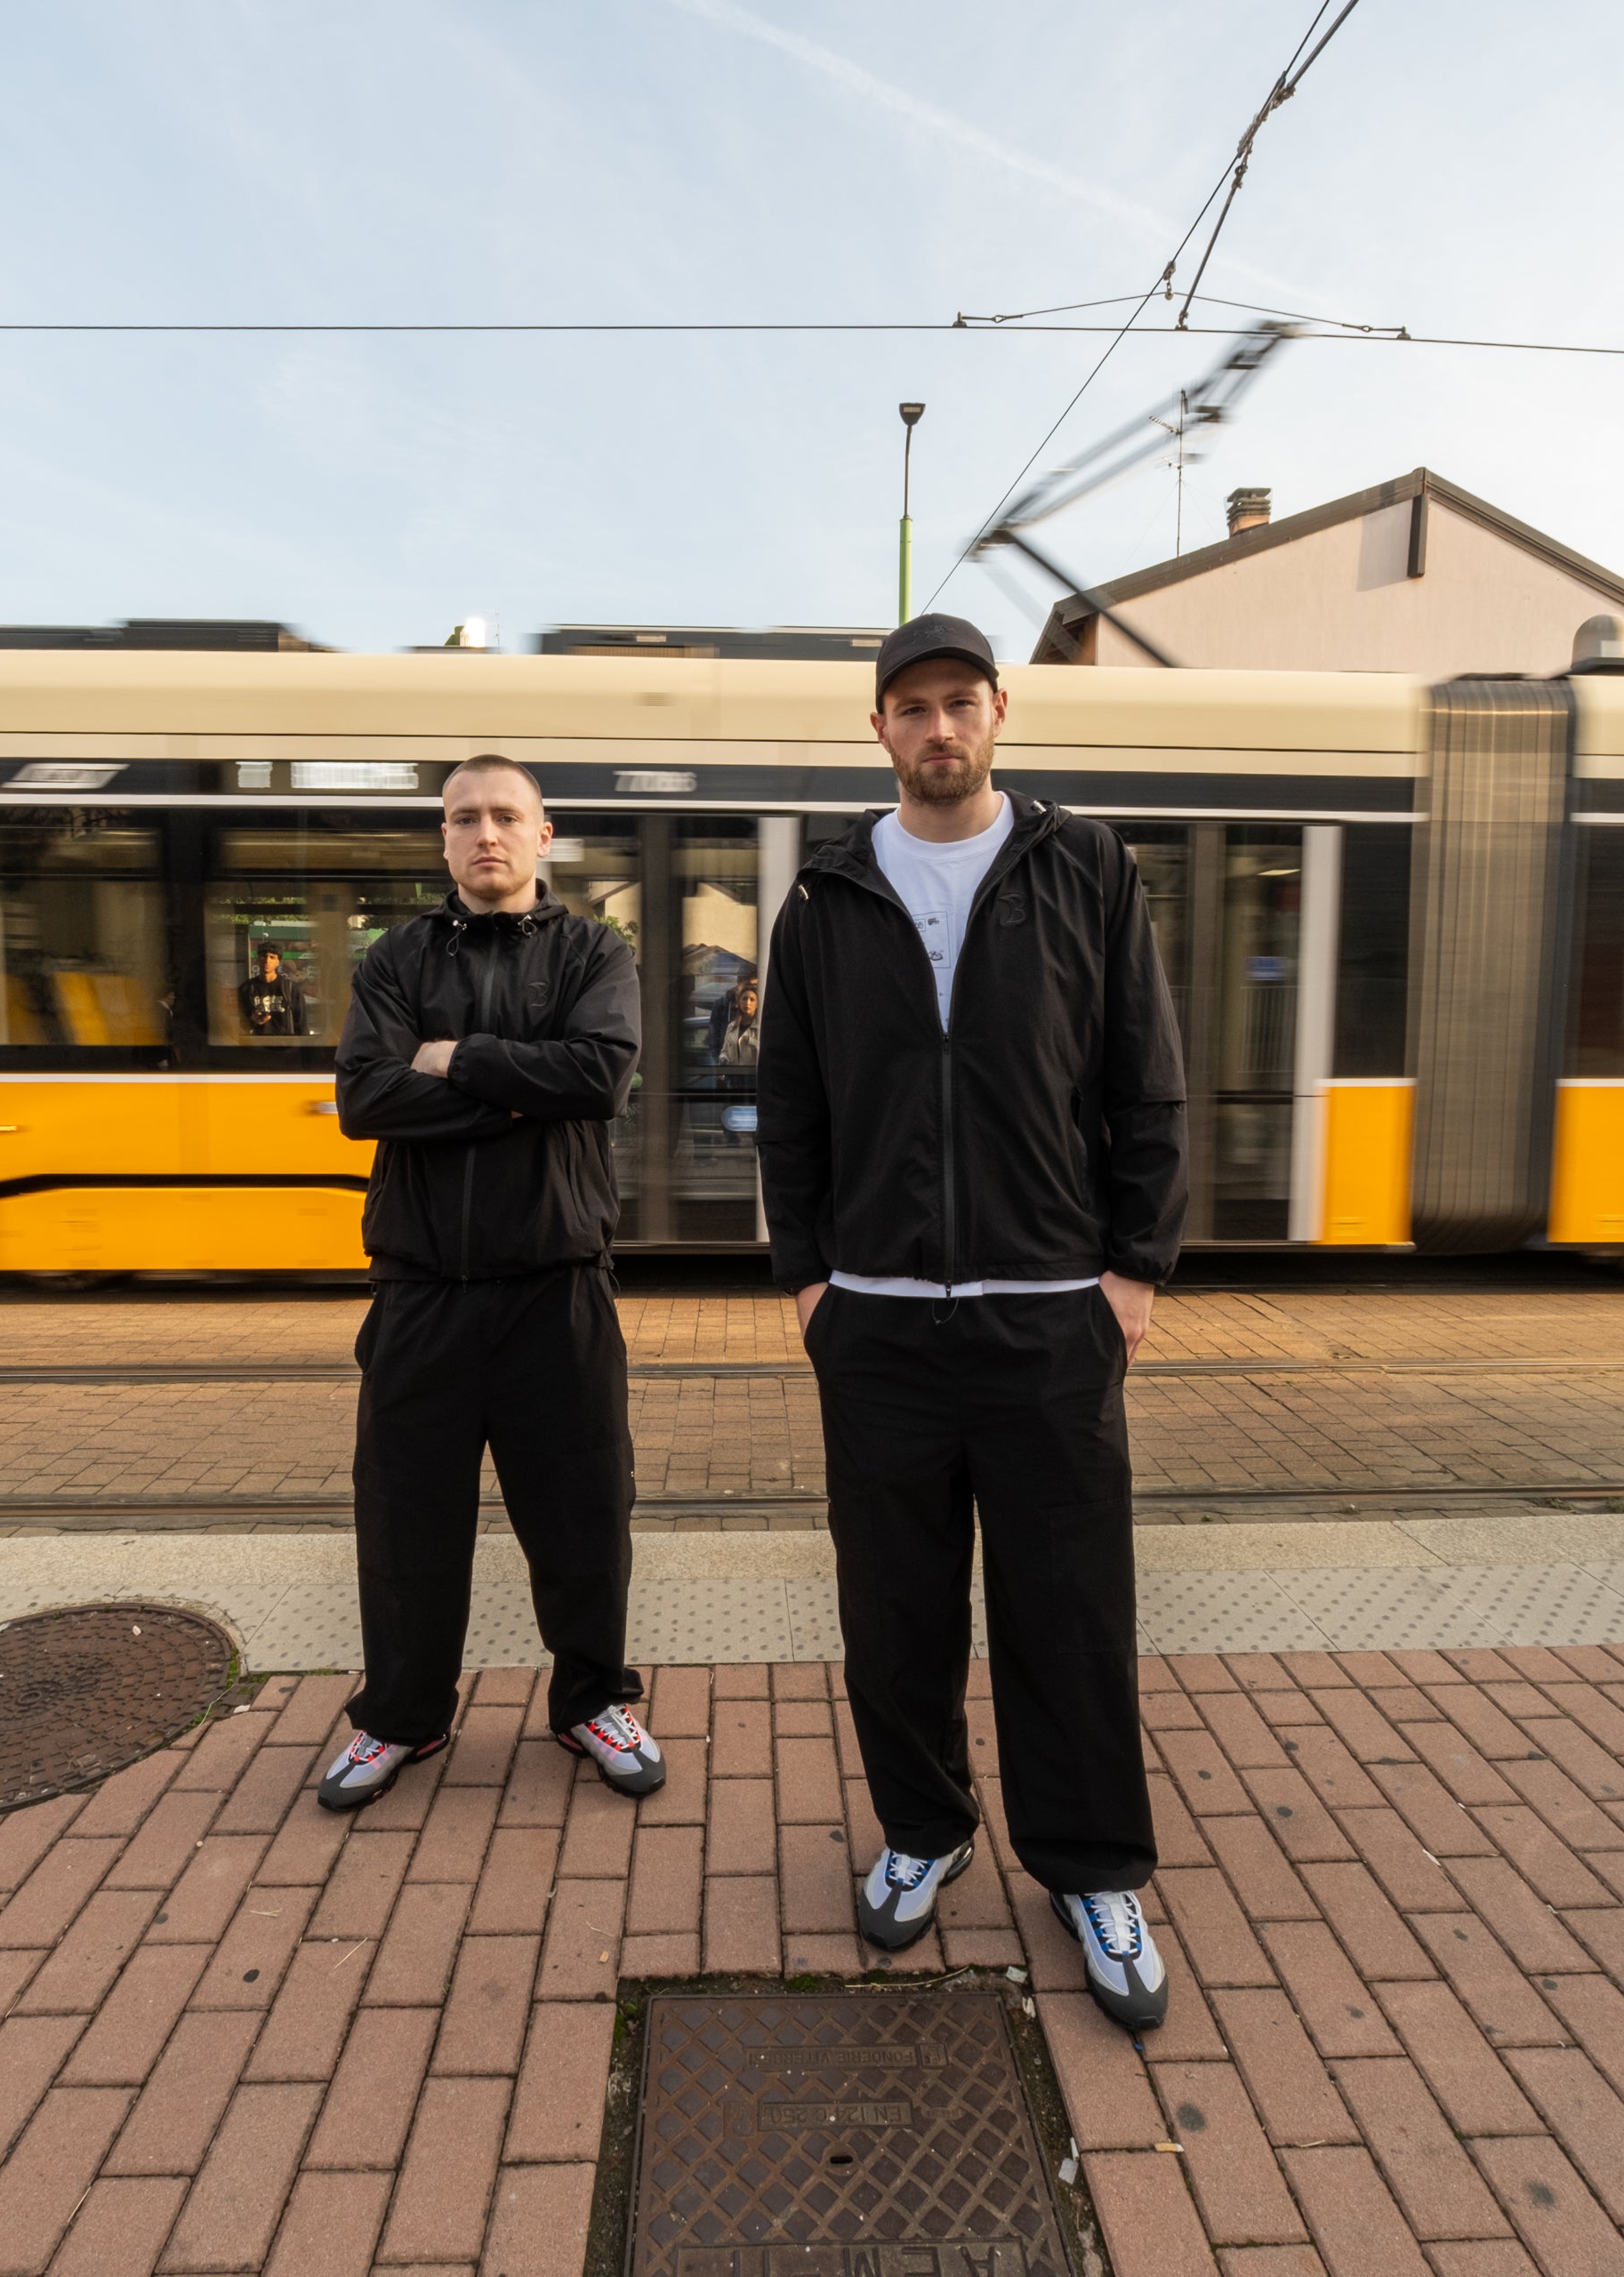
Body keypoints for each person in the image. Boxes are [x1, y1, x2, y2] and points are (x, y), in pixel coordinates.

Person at [757, 614, 1187, 2032]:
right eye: (910, 708)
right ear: (878, 730)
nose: (937, 729)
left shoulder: (1086, 865)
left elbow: (1147, 1083)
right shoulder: (825, 896)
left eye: (959, 703)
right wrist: (812, 1283)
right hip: (877, 1326)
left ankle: (1090, 1867)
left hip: (1050, 1316)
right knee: (895, 1610)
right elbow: (793, 1111)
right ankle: (925, 1832)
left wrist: (1131, 1272)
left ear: (999, 713)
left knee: (1068, 1610)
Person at [321, 753, 663, 1809]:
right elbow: (364, 1100)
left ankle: (593, 1700)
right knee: (405, 1519)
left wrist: (452, 1058)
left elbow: (598, 1076)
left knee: (583, 1515)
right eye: (464, 817)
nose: (486, 834)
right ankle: (401, 1717)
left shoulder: (595, 950)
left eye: (506, 815)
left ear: (544, 833)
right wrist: (522, 1084)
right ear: (443, 840)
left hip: (555, 1287)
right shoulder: (395, 959)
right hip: (421, 1290)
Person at [238, 944, 308, 1036]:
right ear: (258, 960)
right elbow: (240, 1022)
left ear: (278, 962)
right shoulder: (246, 988)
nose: (267, 960)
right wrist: (252, 1020)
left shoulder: (291, 988)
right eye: (264, 956)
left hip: (285, 1044)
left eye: (272, 957)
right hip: (257, 1044)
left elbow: (302, 1022)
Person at [719, 978, 760, 1070]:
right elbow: (725, 1051)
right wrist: (723, 1059)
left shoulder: (760, 1028)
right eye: (744, 999)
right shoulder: (731, 1027)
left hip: (752, 1078)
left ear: (757, 1004)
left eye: (752, 999)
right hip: (733, 1078)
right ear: (739, 1003)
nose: (747, 1003)